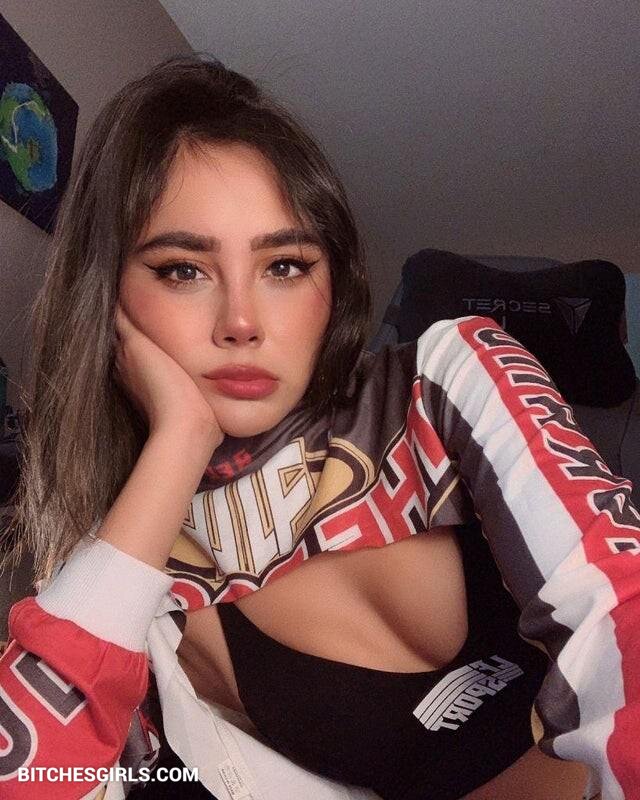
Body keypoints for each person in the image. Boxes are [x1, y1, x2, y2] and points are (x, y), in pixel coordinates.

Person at [0, 54, 638, 800]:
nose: (241, 321)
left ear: (332, 285)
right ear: (107, 299)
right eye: (182, 269)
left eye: (284, 265)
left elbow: (622, 611)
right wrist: (177, 445)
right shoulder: (129, 574)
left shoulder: (442, 380)